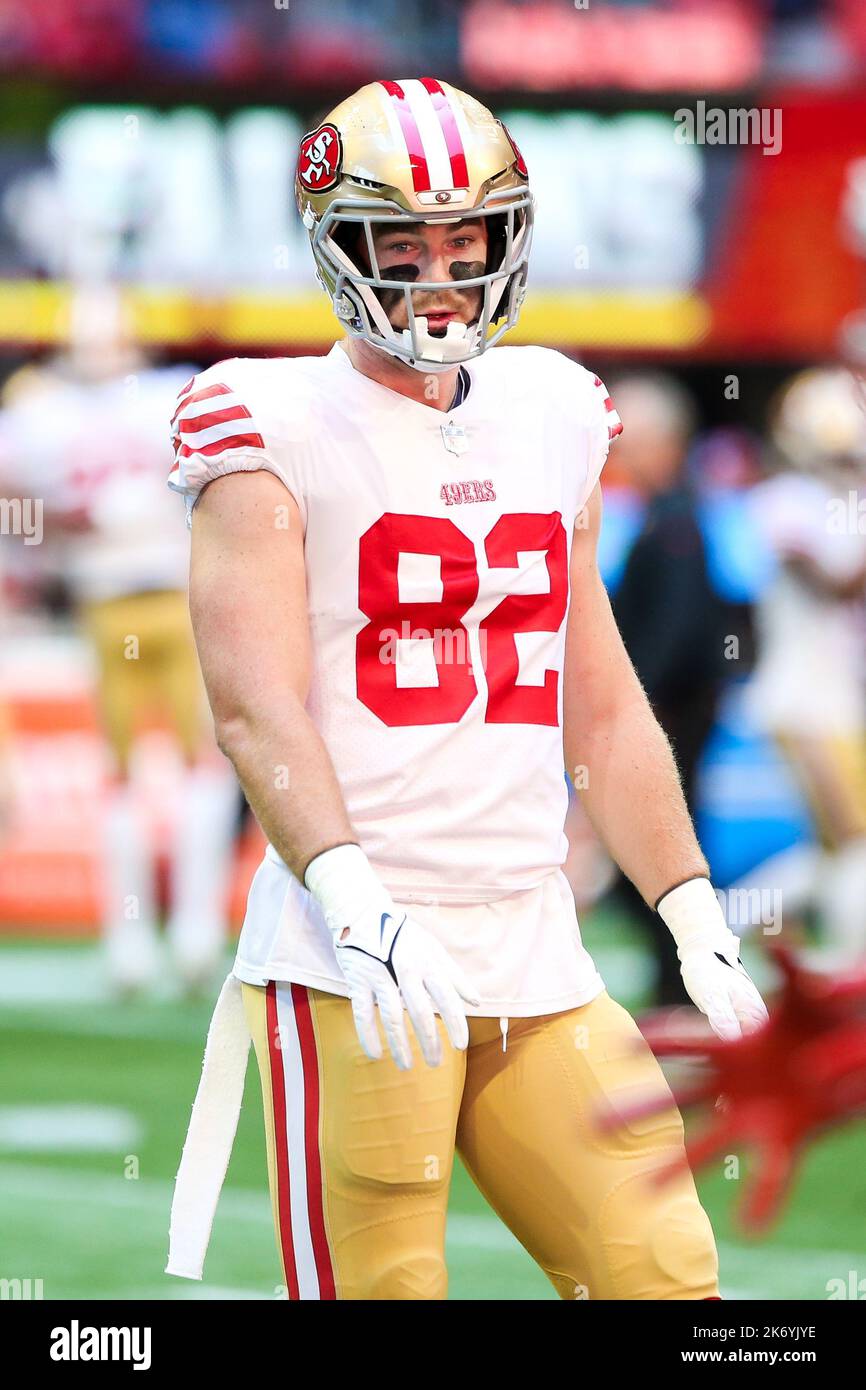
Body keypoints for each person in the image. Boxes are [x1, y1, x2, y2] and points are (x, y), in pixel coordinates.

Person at [166, 77, 767, 1300]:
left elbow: (594, 695)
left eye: (466, 237)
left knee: (661, 1270)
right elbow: (252, 705)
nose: (440, 269)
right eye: (403, 242)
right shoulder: (266, 418)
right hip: (357, 957)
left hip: (534, 937)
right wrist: (351, 899)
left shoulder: (552, 407)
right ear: (340, 248)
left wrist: (689, 908)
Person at [0, 285, 237, 992]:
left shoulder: (160, 398)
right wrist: (71, 522)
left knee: (200, 764)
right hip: (107, 601)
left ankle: (194, 929)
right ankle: (131, 937)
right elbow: (18, 509)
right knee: (126, 774)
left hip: (177, 596)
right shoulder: (41, 413)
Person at [605, 373, 729, 1006]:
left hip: (671, 713)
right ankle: (677, 978)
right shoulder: (668, 515)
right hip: (667, 709)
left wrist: (632, 701)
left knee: (658, 846)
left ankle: (684, 981)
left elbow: (676, 630)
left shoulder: (676, 520)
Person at [747, 366, 866, 970]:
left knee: (836, 845)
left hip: (840, 694)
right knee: (854, 838)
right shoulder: (782, 501)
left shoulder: (842, 502)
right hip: (801, 695)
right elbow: (833, 584)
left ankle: (738, 915)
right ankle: (848, 966)